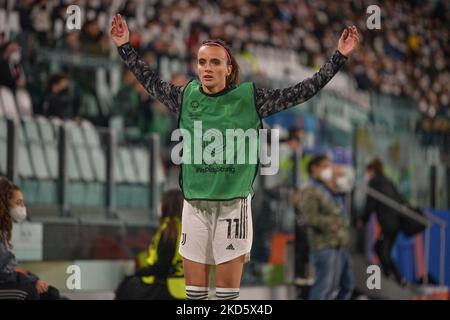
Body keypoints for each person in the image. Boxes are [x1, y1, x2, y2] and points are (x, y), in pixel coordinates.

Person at [110, 14, 359, 300]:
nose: (207, 68)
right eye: (202, 62)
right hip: (194, 206)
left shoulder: (250, 98)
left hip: (233, 207)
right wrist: (124, 46)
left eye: (215, 62)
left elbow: (302, 91)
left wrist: (338, 57)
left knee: (227, 299)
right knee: (194, 297)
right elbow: (149, 80)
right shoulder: (186, 96)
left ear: (229, 68)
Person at [115, 189, 185, 300]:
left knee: (128, 285)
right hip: (182, 287)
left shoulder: (169, 229)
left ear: (166, 205)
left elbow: (162, 266)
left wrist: (139, 272)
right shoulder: (185, 228)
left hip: (165, 286)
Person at [0, 177, 60, 300]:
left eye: (23, 202)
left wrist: (32, 279)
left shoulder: (4, 230)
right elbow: (4, 272)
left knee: (51, 293)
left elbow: (8, 269)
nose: (23, 207)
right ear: (5, 203)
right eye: (18, 202)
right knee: (29, 292)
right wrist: (31, 282)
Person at [299, 154, 349, 300]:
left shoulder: (324, 188)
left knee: (333, 288)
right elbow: (309, 217)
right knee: (323, 288)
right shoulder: (309, 189)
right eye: (325, 166)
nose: (329, 170)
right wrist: (332, 224)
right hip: (323, 244)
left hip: (335, 244)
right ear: (314, 168)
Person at [360, 158, 405, 285]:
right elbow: (399, 199)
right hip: (394, 223)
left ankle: (396, 278)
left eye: (368, 171)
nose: (367, 175)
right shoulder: (388, 181)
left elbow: (370, 203)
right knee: (380, 249)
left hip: (387, 224)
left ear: (372, 170)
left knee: (382, 251)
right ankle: (391, 276)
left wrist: (363, 219)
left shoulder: (375, 182)